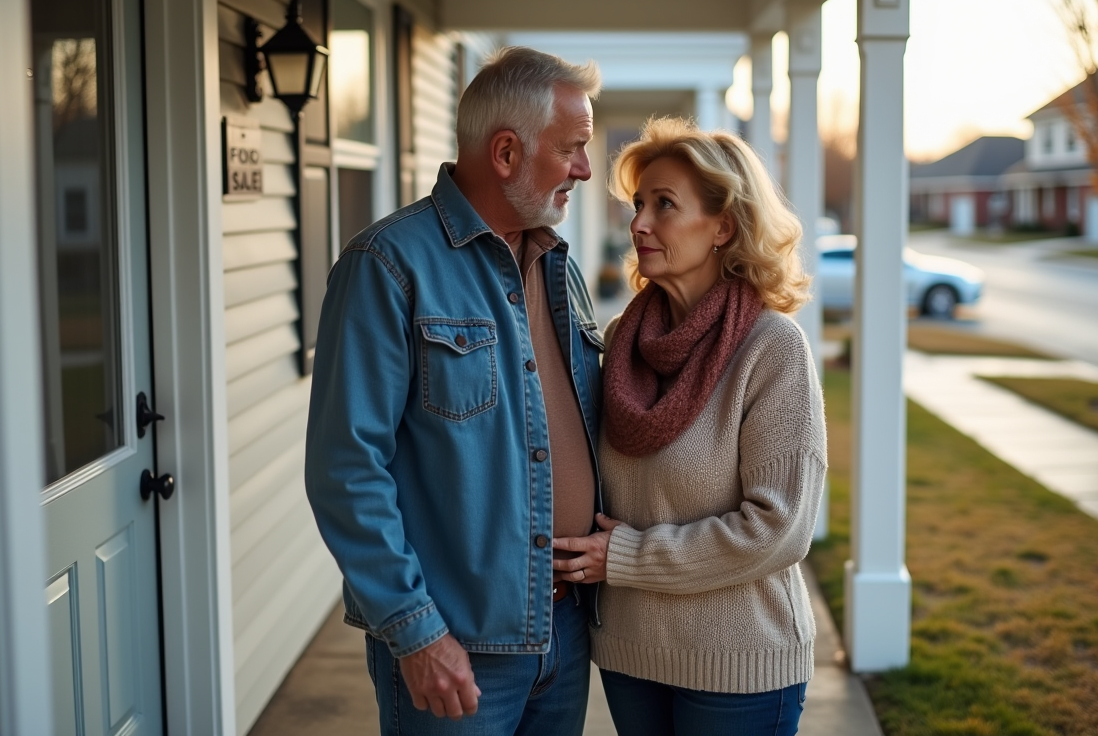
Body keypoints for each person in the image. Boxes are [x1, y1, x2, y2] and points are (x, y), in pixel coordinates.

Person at [304, 46, 605, 736]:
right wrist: (415, 633)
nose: (585, 170)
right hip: (457, 648)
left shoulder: (559, 266)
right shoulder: (387, 266)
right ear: (506, 153)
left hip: (563, 631)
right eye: (573, 149)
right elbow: (346, 470)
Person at [552, 117, 827, 736]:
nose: (640, 222)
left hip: (739, 664)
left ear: (723, 225)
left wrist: (625, 557)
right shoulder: (623, 339)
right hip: (631, 653)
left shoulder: (771, 349)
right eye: (639, 204)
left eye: (665, 205)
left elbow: (779, 528)